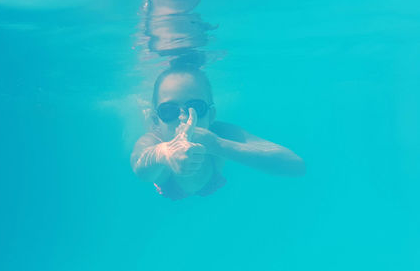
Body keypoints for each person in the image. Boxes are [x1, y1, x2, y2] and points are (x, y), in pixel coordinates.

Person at [130, 65, 306, 200]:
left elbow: (295, 165)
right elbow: (140, 167)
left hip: (209, 181)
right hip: (170, 188)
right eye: (168, 111)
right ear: (156, 121)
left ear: (211, 115)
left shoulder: (217, 134)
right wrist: (165, 153)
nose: (184, 118)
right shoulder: (154, 140)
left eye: (195, 108)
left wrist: (217, 145)